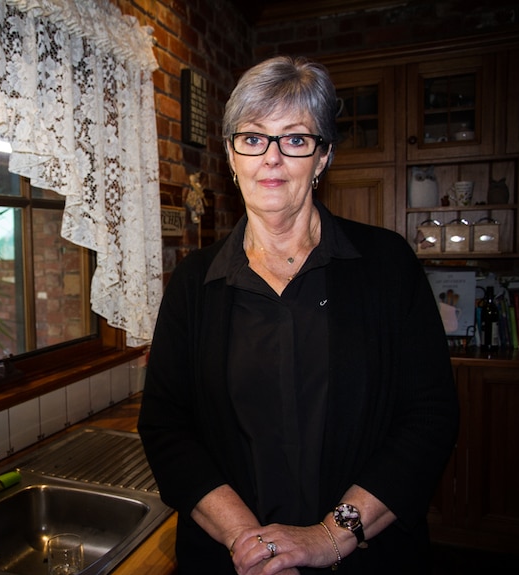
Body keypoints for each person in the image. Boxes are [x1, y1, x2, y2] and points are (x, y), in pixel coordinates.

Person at [137, 56, 459, 575]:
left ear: (323, 156)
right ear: (230, 154)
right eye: (254, 138)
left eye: (295, 139)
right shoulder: (194, 284)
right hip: (229, 562)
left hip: (365, 561)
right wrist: (246, 538)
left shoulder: (386, 265)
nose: (272, 158)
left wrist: (330, 537)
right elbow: (167, 427)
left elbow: (428, 418)